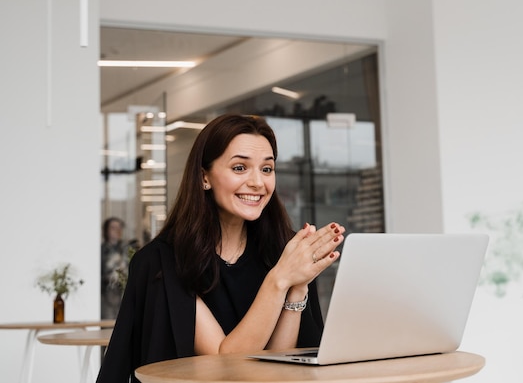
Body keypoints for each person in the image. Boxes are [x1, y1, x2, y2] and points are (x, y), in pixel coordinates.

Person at [97, 114, 345, 383]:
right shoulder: (163, 260)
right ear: (205, 177)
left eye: (267, 169)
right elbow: (226, 364)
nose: (258, 183)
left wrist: (297, 286)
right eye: (240, 168)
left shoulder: (280, 250)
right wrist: (279, 279)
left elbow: (278, 362)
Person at [100, 216, 131, 320]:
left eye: (119, 227)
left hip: (124, 296)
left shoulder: (126, 249)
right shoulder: (101, 250)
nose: (117, 230)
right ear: (106, 230)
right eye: (113, 227)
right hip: (107, 296)